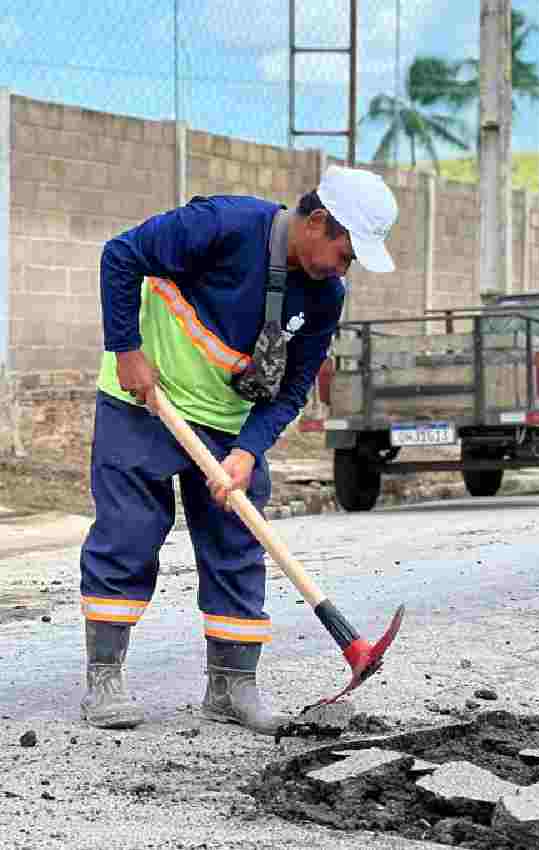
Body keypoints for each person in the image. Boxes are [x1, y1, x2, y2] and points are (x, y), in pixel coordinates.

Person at [79, 165, 399, 733]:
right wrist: (126, 350)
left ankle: (231, 687)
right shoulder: (223, 224)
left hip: (227, 423)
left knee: (238, 543)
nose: (346, 269)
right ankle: (105, 678)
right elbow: (121, 255)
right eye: (347, 254)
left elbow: (295, 385)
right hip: (146, 401)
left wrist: (249, 451)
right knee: (129, 531)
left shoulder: (326, 297)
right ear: (319, 222)